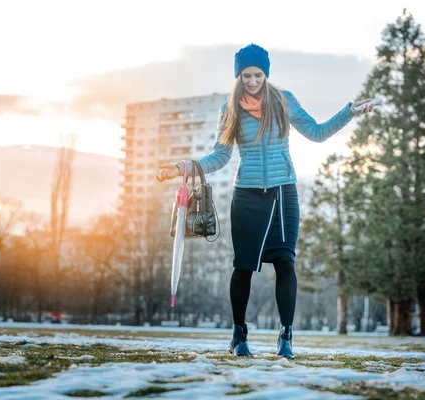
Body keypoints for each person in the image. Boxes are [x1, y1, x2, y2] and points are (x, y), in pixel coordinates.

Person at [157, 43, 374, 359]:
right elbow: (220, 156)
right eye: (246, 76)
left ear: (266, 74)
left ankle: (286, 337)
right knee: (243, 267)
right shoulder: (229, 111)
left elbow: (316, 132)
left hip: (283, 193)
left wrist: (349, 112)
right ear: (239, 76)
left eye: (258, 75)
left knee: (286, 262)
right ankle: (239, 335)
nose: (253, 81)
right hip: (246, 196)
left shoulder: (283, 102)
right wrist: (184, 167)